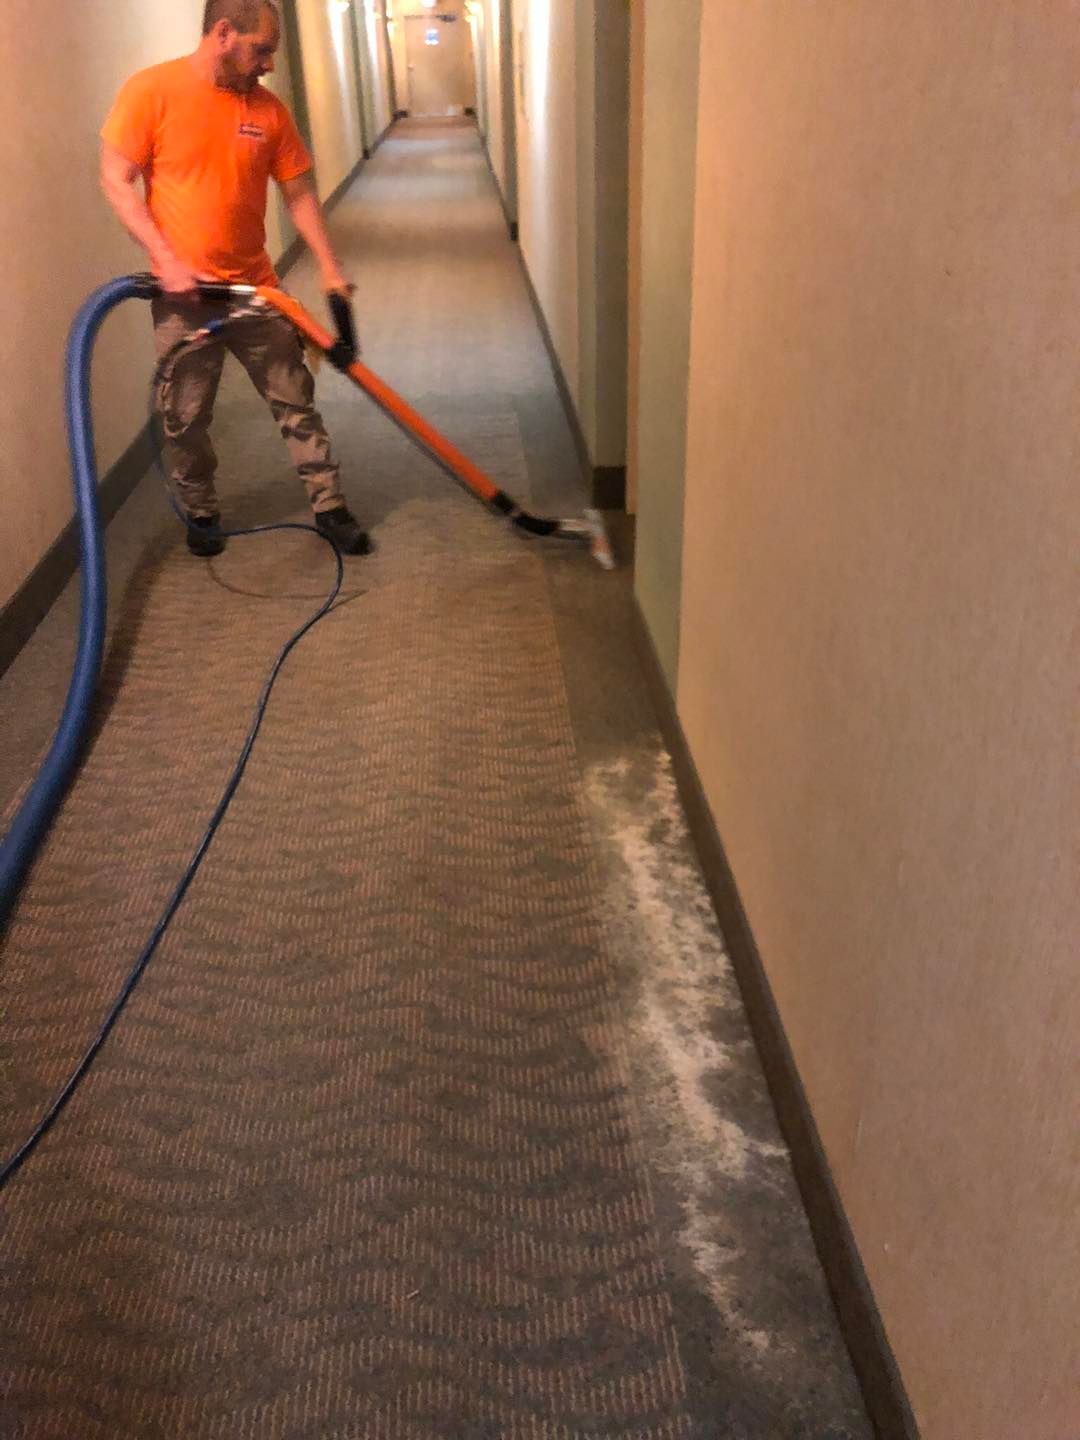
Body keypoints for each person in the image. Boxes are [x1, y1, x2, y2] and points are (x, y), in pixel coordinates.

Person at [100, 0, 370, 557]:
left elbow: (297, 192)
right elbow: (116, 177)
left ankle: (329, 505)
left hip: (256, 290)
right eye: (262, 49)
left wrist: (329, 266)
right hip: (185, 298)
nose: (270, 63)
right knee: (186, 416)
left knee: (295, 399)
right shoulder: (152, 91)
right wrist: (165, 259)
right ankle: (201, 512)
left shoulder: (268, 111)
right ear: (223, 33)